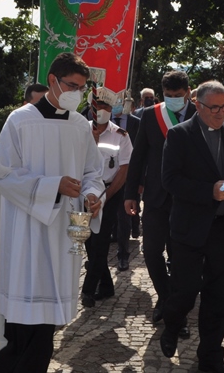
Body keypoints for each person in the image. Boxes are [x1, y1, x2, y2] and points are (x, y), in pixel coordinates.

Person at [0, 52, 105, 372]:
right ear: (53, 81)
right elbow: (4, 174)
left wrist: (93, 195)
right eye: (72, 85)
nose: (76, 94)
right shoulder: (21, 120)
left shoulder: (80, 125)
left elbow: (93, 172)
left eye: (82, 89)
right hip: (27, 229)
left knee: (46, 324)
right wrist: (52, 185)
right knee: (24, 326)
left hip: (63, 232)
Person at [158, 81, 224, 373]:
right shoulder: (180, 135)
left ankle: (211, 359)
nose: (220, 113)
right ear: (198, 105)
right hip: (189, 226)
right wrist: (209, 191)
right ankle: (172, 322)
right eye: (213, 107)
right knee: (185, 291)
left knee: (218, 297)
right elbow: (170, 180)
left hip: (223, 227)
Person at [124, 70, 196, 325]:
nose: (174, 99)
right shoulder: (151, 115)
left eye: (178, 95)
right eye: (168, 95)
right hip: (156, 196)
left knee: (180, 256)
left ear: (188, 92)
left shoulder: (200, 115)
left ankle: (176, 308)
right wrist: (130, 193)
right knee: (152, 251)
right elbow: (139, 154)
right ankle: (165, 297)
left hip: (188, 199)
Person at [81, 89, 132, 305]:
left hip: (110, 193)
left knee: (101, 242)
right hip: (84, 194)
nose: (102, 111)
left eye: (107, 107)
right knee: (89, 242)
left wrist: (107, 197)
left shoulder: (121, 135)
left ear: (112, 109)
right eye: (98, 106)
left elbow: (123, 169)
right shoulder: (80, 131)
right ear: (92, 107)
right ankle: (107, 285)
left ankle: (88, 290)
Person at [110, 96, 140, 268]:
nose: (116, 106)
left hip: (128, 177)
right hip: (105, 177)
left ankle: (123, 255)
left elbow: (142, 153)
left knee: (124, 218)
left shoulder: (136, 123)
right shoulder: (100, 122)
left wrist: (140, 180)